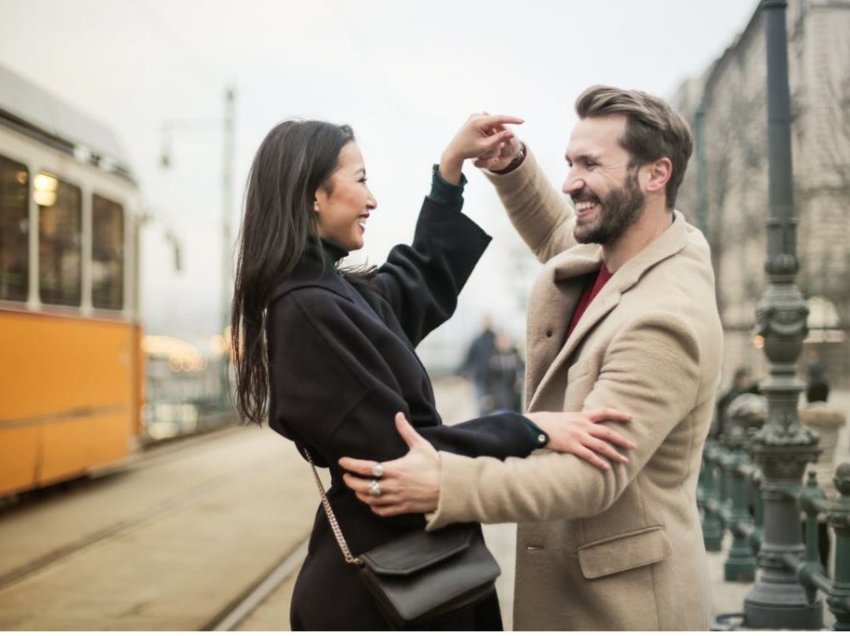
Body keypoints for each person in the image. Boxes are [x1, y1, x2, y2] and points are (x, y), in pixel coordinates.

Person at [340, 85, 724, 630]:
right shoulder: (621, 247)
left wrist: (446, 484)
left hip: (626, 610)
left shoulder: (663, 317)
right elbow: (556, 233)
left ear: (655, 175)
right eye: (570, 162)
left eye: (591, 164)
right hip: (581, 593)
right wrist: (511, 165)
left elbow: (590, 476)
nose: (570, 182)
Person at [230, 117, 636, 631]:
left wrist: (449, 173)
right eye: (359, 180)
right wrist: (532, 427)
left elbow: (417, 279)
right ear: (314, 195)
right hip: (388, 591)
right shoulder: (309, 309)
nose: (372, 198)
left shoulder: (331, 293)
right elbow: (402, 458)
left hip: (408, 572)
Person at [457, 315, 496, 415]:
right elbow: (468, 358)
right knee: (482, 405)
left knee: (493, 405)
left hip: (494, 379)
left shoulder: (496, 340)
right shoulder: (478, 341)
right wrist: (462, 372)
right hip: (480, 378)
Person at [481, 330, 525, 414]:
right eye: (502, 341)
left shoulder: (516, 357)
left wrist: (521, 380)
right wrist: (487, 395)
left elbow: (523, 371)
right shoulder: (492, 358)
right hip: (496, 399)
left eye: (506, 341)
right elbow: (486, 378)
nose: (504, 343)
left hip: (513, 398)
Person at [713, 366, 761, 439]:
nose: (745, 381)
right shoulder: (729, 396)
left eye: (747, 378)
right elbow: (723, 415)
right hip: (733, 430)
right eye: (743, 378)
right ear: (737, 379)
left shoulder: (751, 393)